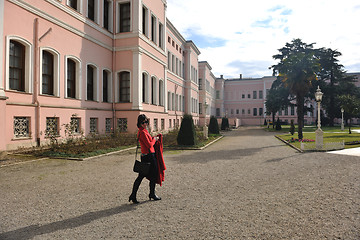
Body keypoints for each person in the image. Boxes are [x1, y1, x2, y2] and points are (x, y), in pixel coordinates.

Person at [129, 114, 163, 204]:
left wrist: (153, 138)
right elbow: (149, 145)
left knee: (150, 176)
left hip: (148, 155)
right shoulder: (142, 132)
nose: (145, 124)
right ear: (139, 123)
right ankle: (139, 195)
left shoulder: (144, 131)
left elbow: (149, 142)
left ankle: (149, 194)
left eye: (146, 122)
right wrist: (155, 139)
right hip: (148, 156)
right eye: (143, 122)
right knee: (143, 176)